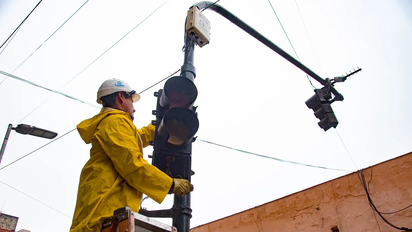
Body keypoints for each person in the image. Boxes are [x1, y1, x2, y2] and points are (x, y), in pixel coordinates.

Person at [70, 78, 193, 232]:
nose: (134, 109)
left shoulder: (114, 125)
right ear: (121, 97)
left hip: (104, 215)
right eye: (131, 101)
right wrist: (170, 184)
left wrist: (163, 127)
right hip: (102, 217)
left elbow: (134, 139)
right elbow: (132, 165)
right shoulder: (114, 122)